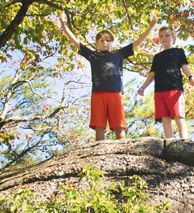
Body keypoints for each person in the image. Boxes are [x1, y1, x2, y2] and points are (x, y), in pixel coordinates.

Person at [57, 12, 155, 141]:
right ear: (97, 42)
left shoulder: (119, 54)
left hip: (115, 92)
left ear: (112, 42)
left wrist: (150, 27)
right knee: (99, 125)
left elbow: (137, 42)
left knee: (119, 125)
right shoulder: (93, 55)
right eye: (102, 40)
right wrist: (64, 25)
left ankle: (123, 149)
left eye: (108, 40)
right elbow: (76, 42)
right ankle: (99, 152)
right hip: (98, 93)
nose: (104, 42)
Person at [136, 25, 194, 140]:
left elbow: (184, 66)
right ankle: (169, 141)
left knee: (178, 115)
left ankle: (185, 140)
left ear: (173, 38)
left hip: (174, 89)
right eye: (161, 36)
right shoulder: (157, 57)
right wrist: (143, 87)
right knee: (165, 118)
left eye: (167, 35)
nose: (164, 38)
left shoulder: (178, 52)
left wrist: (190, 77)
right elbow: (152, 74)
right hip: (159, 91)